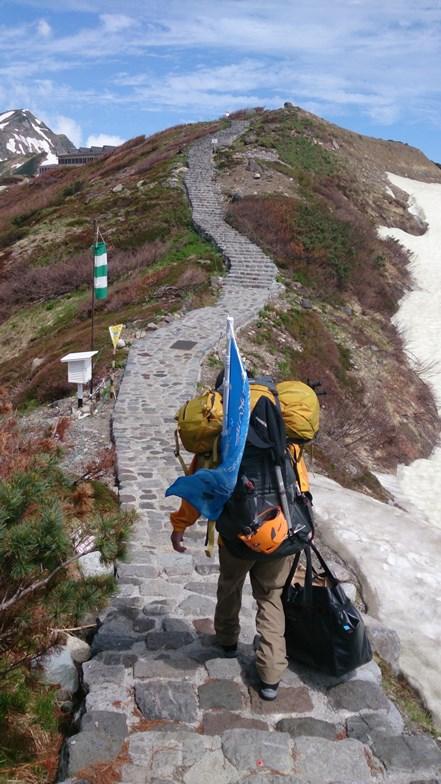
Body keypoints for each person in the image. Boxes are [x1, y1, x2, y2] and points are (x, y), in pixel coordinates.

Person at [170, 373, 312, 701]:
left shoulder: (222, 436)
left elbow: (198, 487)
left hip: (235, 534)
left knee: (229, 587)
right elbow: (300, 489)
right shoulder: (284, 432)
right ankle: (271, 673)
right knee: (270, 597)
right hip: (277, 534)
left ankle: (227, 641)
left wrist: (180, 525)